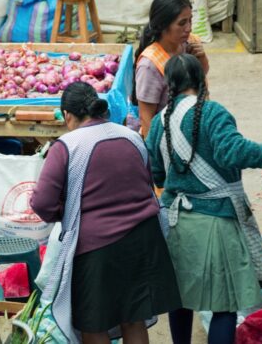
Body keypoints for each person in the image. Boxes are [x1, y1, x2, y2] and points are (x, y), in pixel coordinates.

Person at [145, 54, 262, 344]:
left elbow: (156, 174)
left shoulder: (159, 122)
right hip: (216, 222)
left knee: (181, 299)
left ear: (168, 85)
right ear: (202, 81)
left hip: (175, 223)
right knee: (225, 304)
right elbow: (235, 152)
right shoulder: (212, 113)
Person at [30, 82, 181, 344]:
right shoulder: (131, 136)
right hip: (144, 240)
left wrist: (66, 212)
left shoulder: (66, 145)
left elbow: (43, 203)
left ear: (67, 115)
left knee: (94, 324)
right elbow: (147, 181)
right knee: (133, 319)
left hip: (97, 250)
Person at [132, 0, 209, 138]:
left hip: (191, 129)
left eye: (190, 20)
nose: (189, 28)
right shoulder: (149, 65)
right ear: (162, 26)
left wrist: (202, 58)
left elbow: (202, 75)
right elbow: (146, 119)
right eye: (182, 23)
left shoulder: (188, 44)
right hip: (167, 138)